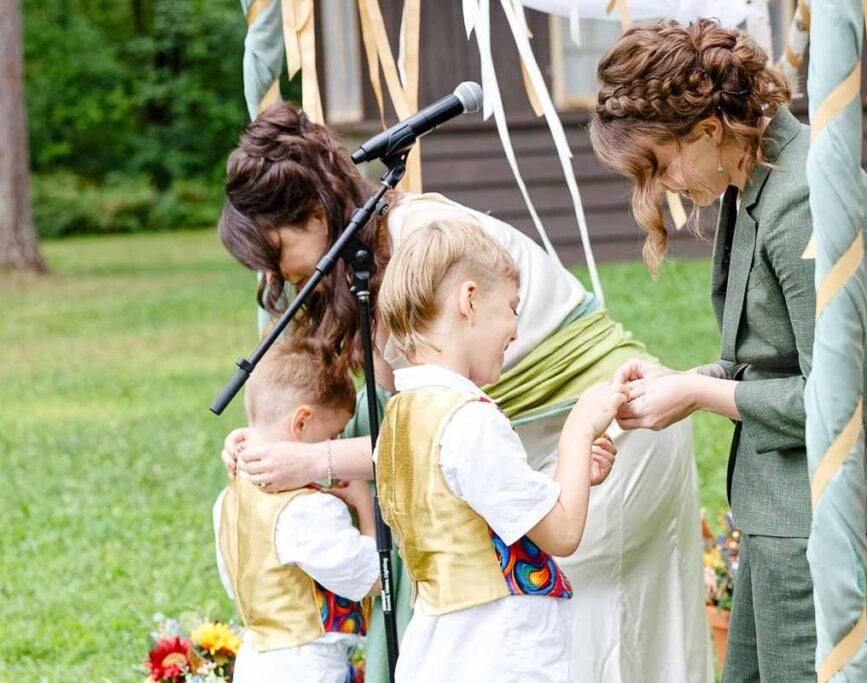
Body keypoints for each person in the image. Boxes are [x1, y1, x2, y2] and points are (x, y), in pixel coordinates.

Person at [217, 102, 713, 682]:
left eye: (277, 256)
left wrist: (307, 460)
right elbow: (411, 427)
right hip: (540, 458)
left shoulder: (424, 245)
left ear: (311, 214)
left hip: (616, 433)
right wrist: (266, 441)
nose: (281, 279)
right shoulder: (370, 258)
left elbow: (427, 440)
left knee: (598, 642)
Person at [589, 18, 867, 682]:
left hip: (841, 510)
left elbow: (839, 402)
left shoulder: (805, 202)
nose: (662, 187)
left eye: (661, 164)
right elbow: (778, 355)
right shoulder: (755, 178)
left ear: (709, 130)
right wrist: (687, 377)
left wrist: (695, 394)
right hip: (786, 506)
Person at [373, 215, 625, 682]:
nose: (515, 328)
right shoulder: (468, 420)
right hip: (496, 651)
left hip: (440, 649)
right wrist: (579, 430)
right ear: (469, 300)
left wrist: (569, 474)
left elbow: (478, 519)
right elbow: (563, 532)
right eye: (512, 306)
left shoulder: (401, 417)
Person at [212, 338, 380, 683]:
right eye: (333, 434)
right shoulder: (307, 511)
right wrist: (365, 506)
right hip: (309, 668)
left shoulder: (228, 498)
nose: (334, 447)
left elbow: (236, 583)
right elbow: (372, 578)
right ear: (301, 423)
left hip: (256, 661)